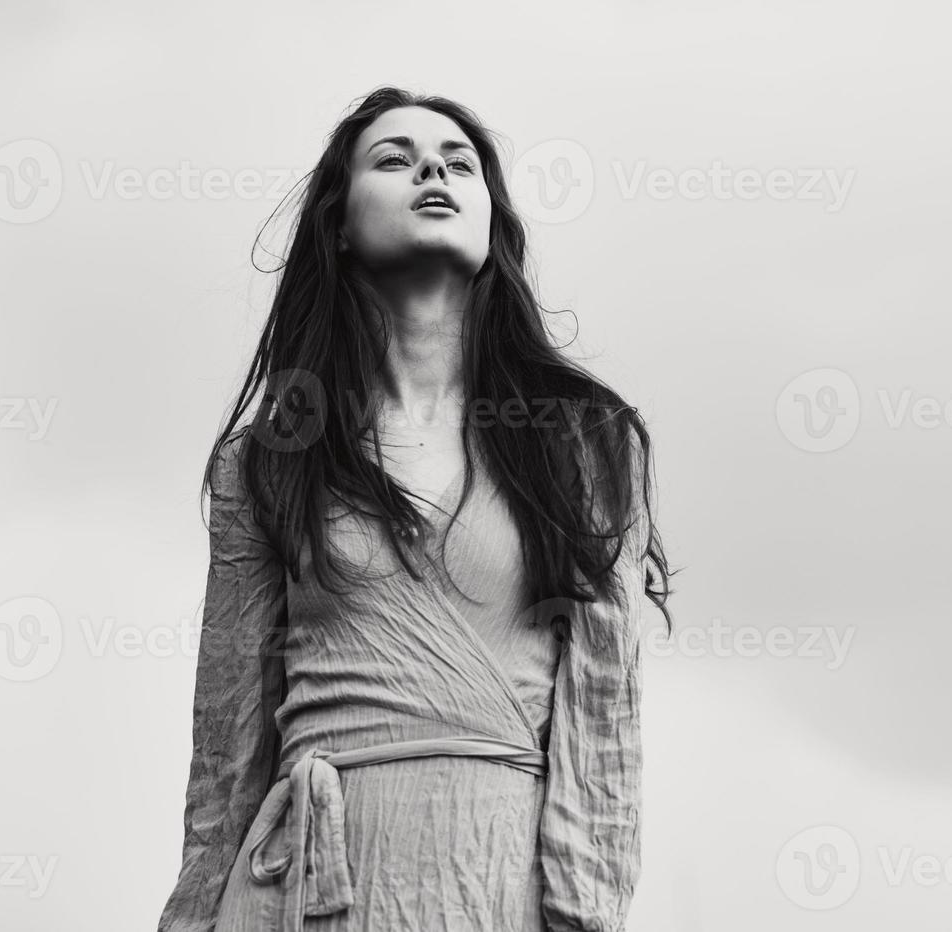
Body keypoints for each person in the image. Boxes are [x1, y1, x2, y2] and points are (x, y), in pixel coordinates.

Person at [156, 86, 673, 932]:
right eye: (393, 159)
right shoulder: (269, 459)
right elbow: (227, 748)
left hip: (495, 884)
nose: (432, 167)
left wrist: (585, 917)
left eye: (459, 161)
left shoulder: (584, 443)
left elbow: (603, 728)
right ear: (341, 225)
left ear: (491, 224)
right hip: (297, 896)